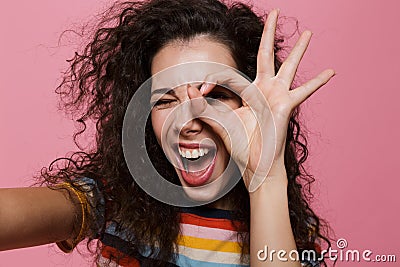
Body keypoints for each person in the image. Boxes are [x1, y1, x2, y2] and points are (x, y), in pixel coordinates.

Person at [0, 0, 335, 266]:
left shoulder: (287, 233)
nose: (187, 121)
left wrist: (266, 178)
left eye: (215, 96)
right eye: (165, 100)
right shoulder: (112, 203)